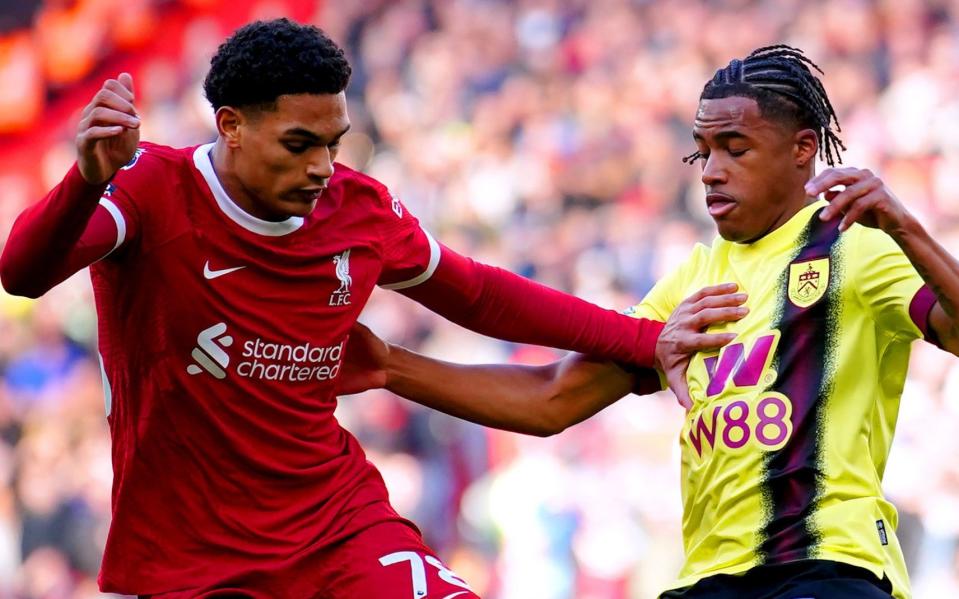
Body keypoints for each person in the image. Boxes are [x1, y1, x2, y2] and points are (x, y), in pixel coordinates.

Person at [0, 17, 739, 599]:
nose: (321, 166)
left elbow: (481, 294)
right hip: (198, 562)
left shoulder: (358, 211)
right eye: (298, 144)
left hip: (338, 526)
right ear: (230, 125)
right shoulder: (151, 190)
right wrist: (84, 180)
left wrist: (647, 340)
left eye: (332, 142)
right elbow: (22, 271)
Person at [339, 45, 959, 599]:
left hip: (824, 568)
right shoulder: (692, 277)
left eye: (735, 149)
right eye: (704, 150)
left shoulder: (857, 244)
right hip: (708, 578)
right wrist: (391, 366)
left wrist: (908, 229)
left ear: (802, 150)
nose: (711, 170)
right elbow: (553, 399)